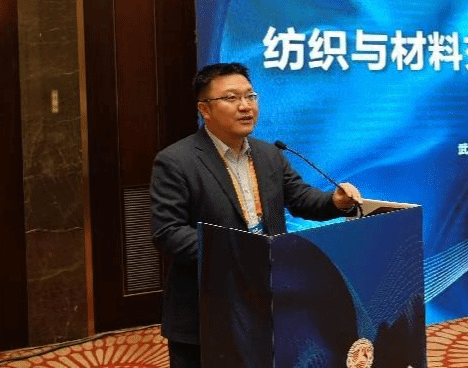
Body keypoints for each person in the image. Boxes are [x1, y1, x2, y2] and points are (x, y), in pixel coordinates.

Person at [150, 62, 362, 368]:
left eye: (250, 96)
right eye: (231, 98)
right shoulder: (176, 161)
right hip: (207, 303)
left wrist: (336, 202)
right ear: (204, 109)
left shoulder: (269, 154)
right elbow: (169, 233)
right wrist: (239, 252)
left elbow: (301, 199)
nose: (245, 106)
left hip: (268, 300)